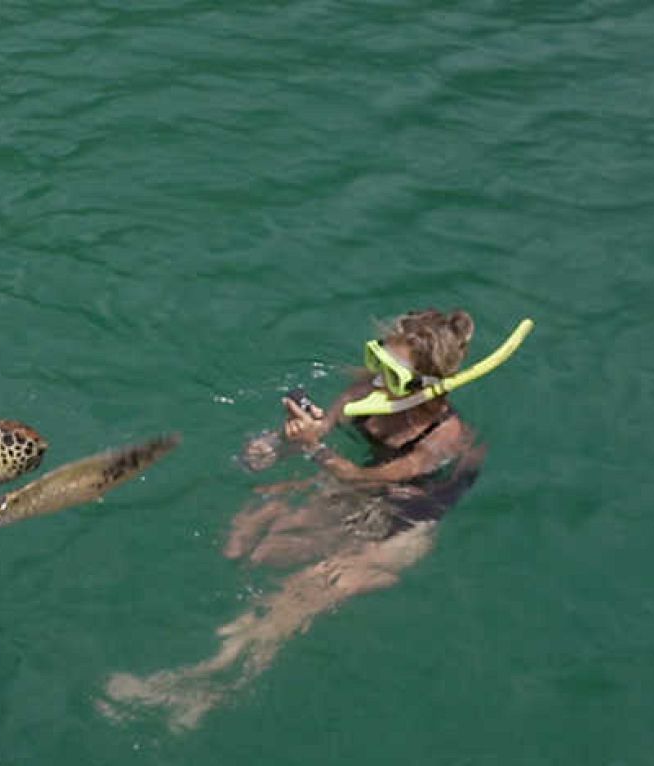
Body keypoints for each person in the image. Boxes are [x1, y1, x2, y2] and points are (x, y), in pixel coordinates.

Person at [102, 309, 486, 731]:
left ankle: (205, 685)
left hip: (408, 521)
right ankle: (215, 661)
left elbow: (358, 476)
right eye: (376, 359)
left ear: (425, 387)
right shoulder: (364, 391)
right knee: (251, 537)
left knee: (302, 593)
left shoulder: (445, 437)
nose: (377, 379)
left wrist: (313, 450)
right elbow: (317, 435)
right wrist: (276, 446)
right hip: (361, 495)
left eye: (391, 375)